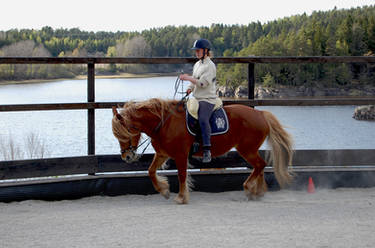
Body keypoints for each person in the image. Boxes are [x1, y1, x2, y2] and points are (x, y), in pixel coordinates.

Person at [179, 38, 220, 163]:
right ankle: (193, 142)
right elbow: (195, 80)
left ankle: (207, 149)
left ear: (206, 51)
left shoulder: (210, 66)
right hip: (196, 98)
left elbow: (202, 83)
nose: (196, 52)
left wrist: (187, 78)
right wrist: (189, 89)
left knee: (202, 119)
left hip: (208, 98)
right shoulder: (197, 65)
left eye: (198, 50)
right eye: (195, 50)